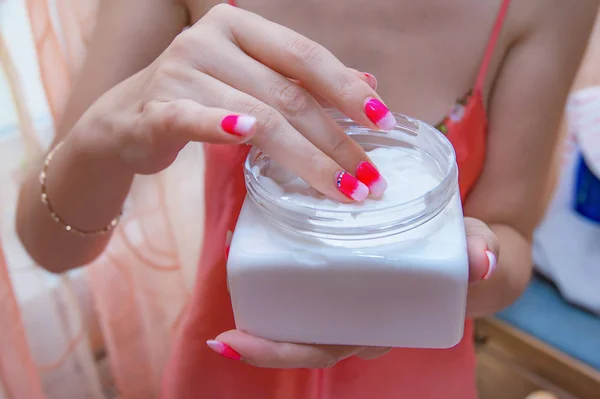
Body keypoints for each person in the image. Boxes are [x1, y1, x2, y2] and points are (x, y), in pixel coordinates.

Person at [15, 0, 597, 397]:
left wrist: (462, 267)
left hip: (418, 371)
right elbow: (49, 247)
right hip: (228, 363)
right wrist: (106, 134)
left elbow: (509, 236)